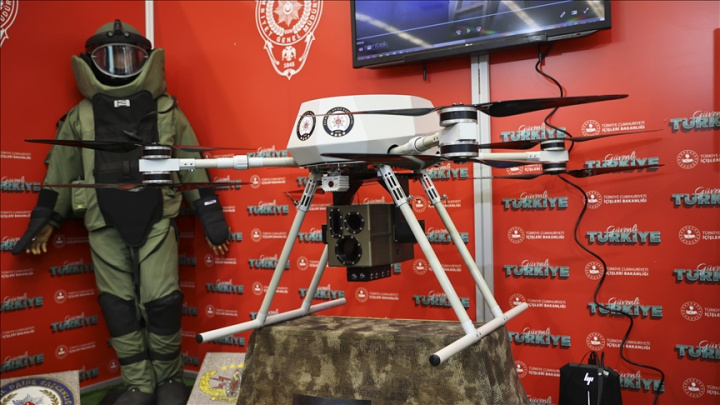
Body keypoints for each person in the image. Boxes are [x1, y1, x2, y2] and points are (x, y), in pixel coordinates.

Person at [13, 19, 230, 405]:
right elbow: (60, 173)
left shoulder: (167, 111)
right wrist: (45, 221)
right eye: (108, 58)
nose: (119, 66)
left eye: (129, 58)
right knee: (119, 307)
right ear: (91, 62)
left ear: (145, 60)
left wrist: (211, 217)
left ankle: (169, 379)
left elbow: (191, 165)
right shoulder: (80, 117)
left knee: (163, 301)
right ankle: (138, 385)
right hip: (102, 223)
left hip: (157, 219)